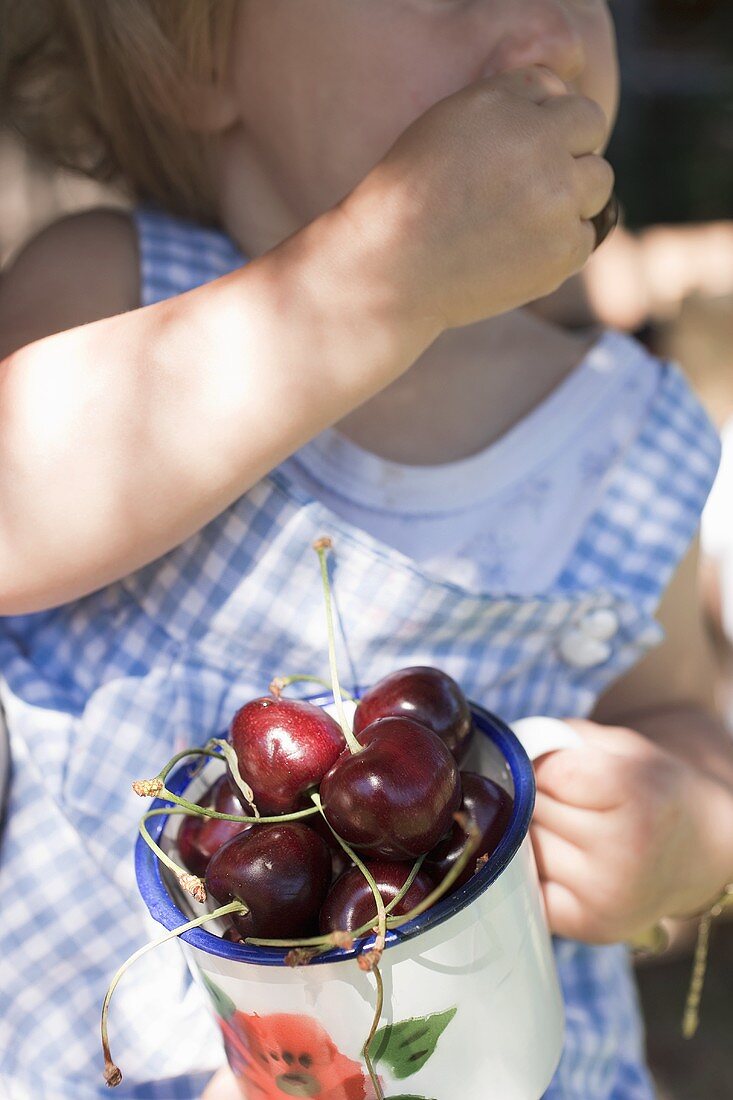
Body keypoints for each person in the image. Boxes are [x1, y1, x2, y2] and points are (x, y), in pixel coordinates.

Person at [0, 2, 731, 1098]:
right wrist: (367, 278)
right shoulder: (122, 293)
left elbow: (678, 714)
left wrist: (681, 827)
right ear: (203, 60)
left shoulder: (620, 437)